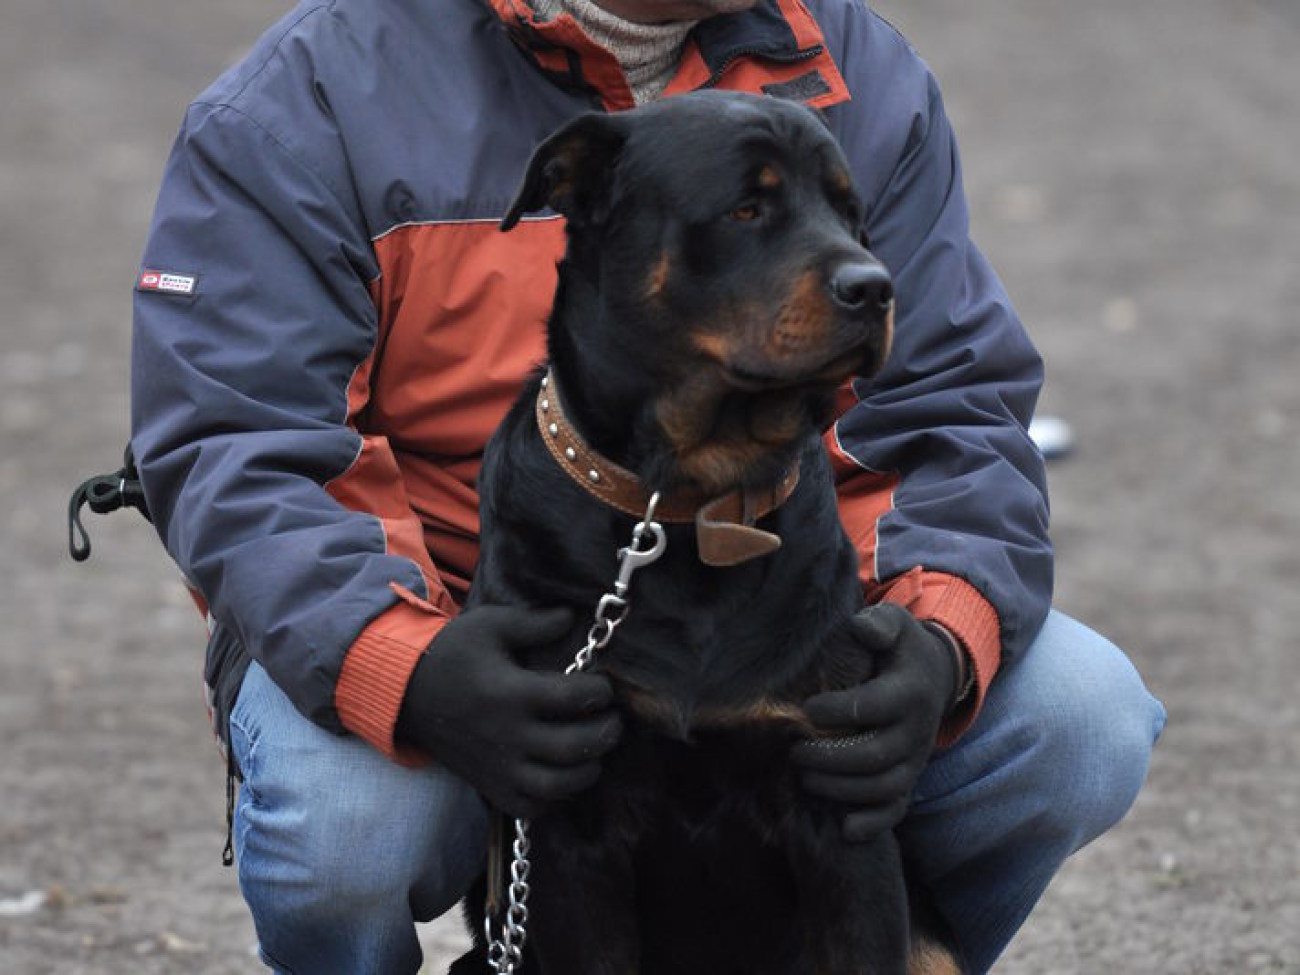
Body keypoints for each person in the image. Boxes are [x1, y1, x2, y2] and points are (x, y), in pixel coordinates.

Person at [129, 0, 1166, 971]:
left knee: (1077, 720)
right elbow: (240, 441)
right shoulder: (313, 93)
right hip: (451, 614)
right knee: (343, 828)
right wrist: (401, 667)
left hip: (786, 596)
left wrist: (941, 640)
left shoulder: (856, 62)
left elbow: (955, 406)